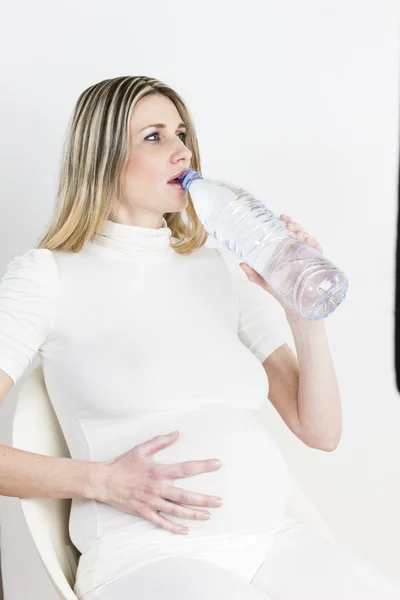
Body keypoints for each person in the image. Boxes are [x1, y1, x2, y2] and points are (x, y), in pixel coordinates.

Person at [0, 75, 399, 600]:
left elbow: (320, 430)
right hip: (147, 558)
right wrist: (99, 481)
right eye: (154, 136)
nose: (181, 151)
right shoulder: (46, 277)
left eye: (182, 133)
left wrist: (304, 314)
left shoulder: (218, 271)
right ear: (100, 157)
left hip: (268, 543)